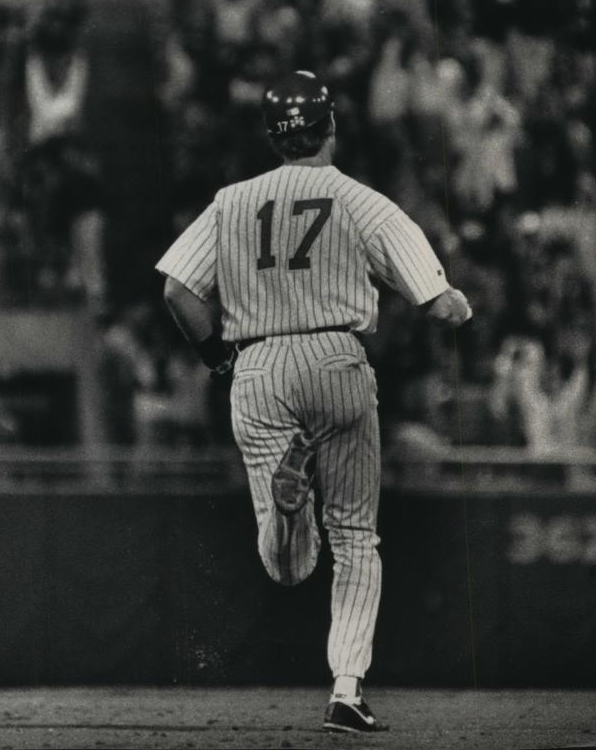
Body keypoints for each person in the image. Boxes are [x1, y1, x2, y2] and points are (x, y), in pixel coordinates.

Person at [156, 71, 473, 734]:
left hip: (260, 363)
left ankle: (288, 503)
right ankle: (347, 690)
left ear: (274, 137)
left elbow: (177, 293)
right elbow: (440, 305)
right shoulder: (360, 199)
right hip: (336, 358)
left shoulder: (231, 200)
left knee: (288, 564)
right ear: (331, 126)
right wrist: (459, 303)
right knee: (356, 535)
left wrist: (218, 355)